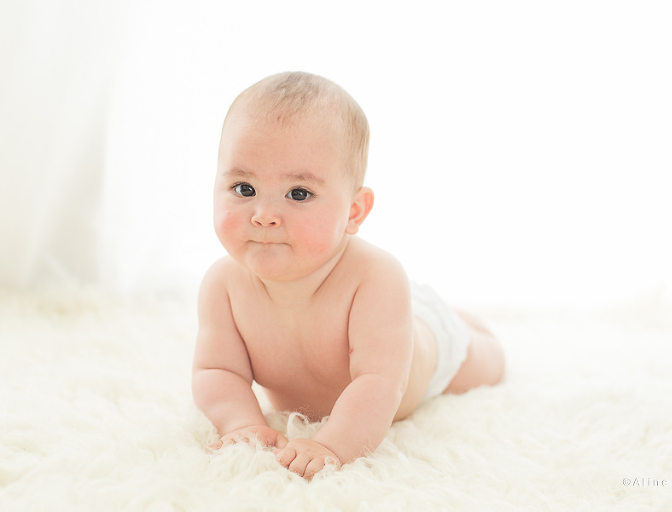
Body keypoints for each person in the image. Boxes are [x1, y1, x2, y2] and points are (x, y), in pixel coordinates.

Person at [192, 71, 505, 480]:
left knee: (487, 360)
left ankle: (464, 323)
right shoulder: (222, 286)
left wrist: (331, 444)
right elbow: (218, 372)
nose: (264, 215)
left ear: (354, 211)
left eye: (298, 194)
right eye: (243, 188)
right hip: (387, 321)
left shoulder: (375, 277)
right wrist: (242, 424)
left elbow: (378, 383)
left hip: (426, 349)